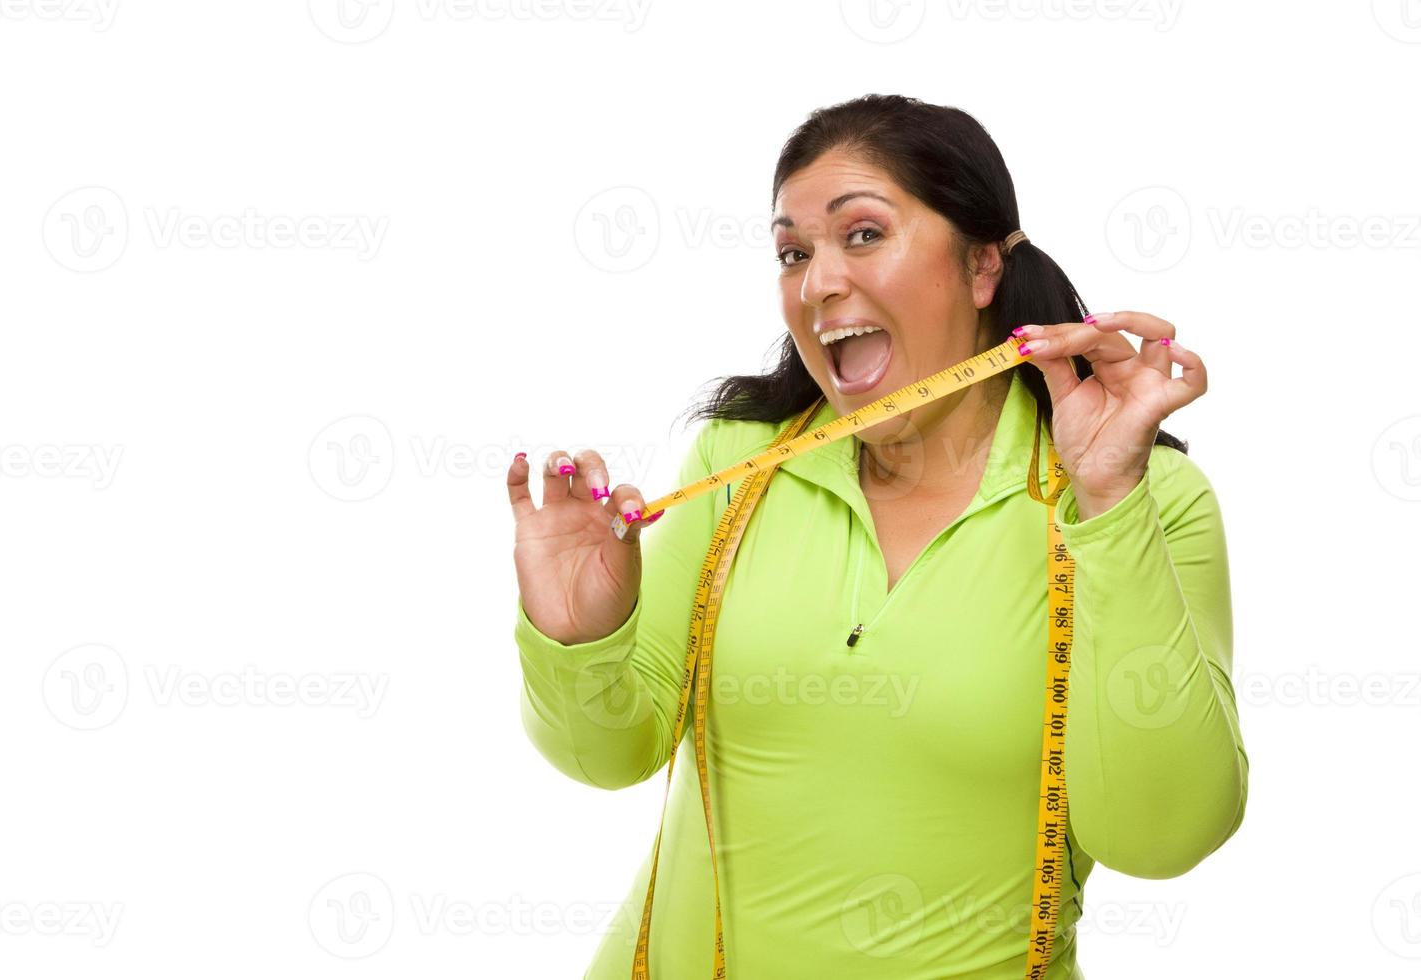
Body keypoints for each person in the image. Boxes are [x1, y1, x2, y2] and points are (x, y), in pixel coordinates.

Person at [504, 94, 1247, 979]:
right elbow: (608, 756)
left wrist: (1110, 503)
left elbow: (1160, 835)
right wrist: (579, 639)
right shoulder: (739, 465)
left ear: (981, 268)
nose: (817, 282)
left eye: (862, 235)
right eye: (793, 252)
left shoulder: (1144, 500)